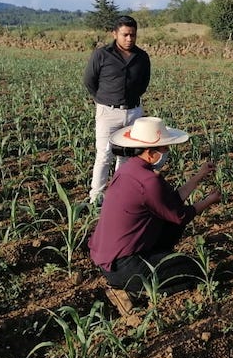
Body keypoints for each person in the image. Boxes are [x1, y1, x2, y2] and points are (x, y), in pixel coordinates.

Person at [89, 117, 221, 314]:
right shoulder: (148, 181)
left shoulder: (130, 170)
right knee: (194, 271)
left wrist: (199, 176)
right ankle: (132, 292)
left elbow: (169, 202)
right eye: (164, 148)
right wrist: (209, 200)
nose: (167, 152)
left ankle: (138, 276)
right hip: (124, 266)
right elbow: (180, 216)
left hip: (109, 258)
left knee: (167, 225)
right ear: (150, 153)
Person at [84, 15, 151, 206]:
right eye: (125, 35)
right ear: (115, 34)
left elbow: (144, 83)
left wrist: (131, 102)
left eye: (133, 35)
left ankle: (118, 195)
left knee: (126, 156)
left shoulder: (142, 57)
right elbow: (89, 81)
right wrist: (103, 100)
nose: (129, 39)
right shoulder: (102, 54)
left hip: (133, 112)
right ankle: (96, 198)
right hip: (108, 112)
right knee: (104, 155)